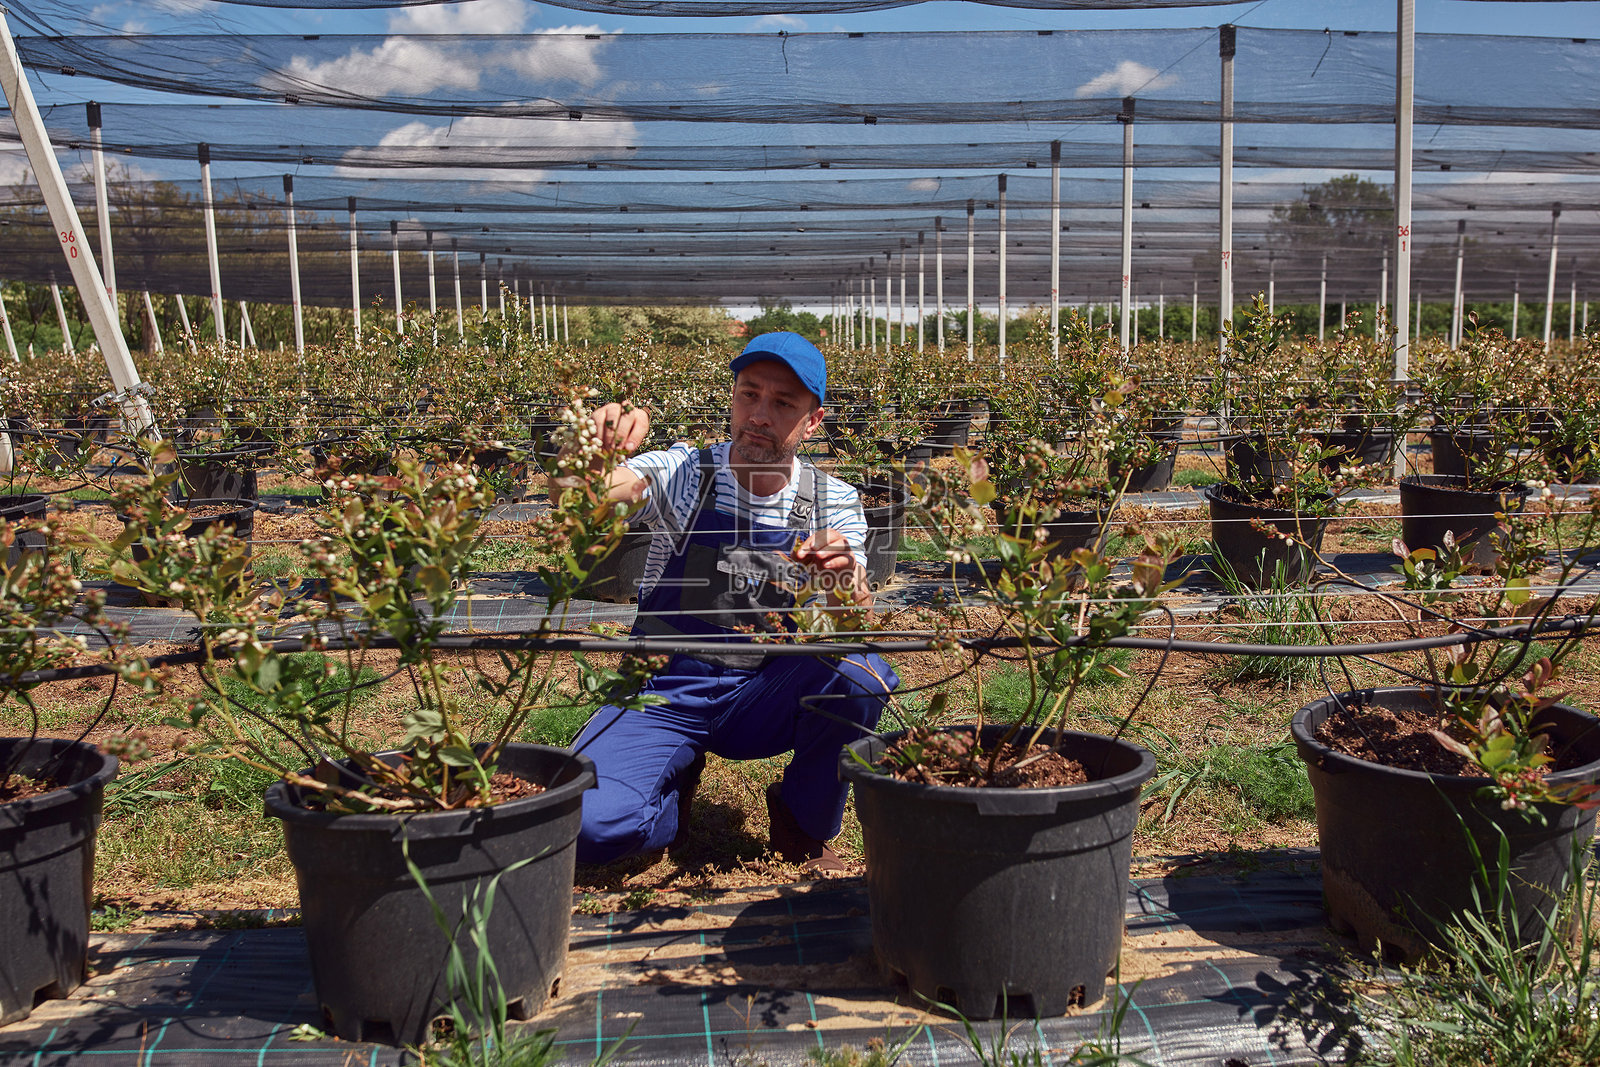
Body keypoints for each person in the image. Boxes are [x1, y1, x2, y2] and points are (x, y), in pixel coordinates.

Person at [566, 331, 898, 873]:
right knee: (585, 826)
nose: (759, 415)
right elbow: (599, 496)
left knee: (863, 675)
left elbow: (851, 623)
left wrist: (844, 579)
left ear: (813, 421)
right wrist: (590, 459)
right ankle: (668, 795)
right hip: (664, 689)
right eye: (749, 394)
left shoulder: (832, 500)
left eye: (783, 402)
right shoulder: (687, 475)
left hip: (765, 693)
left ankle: (801, 821)